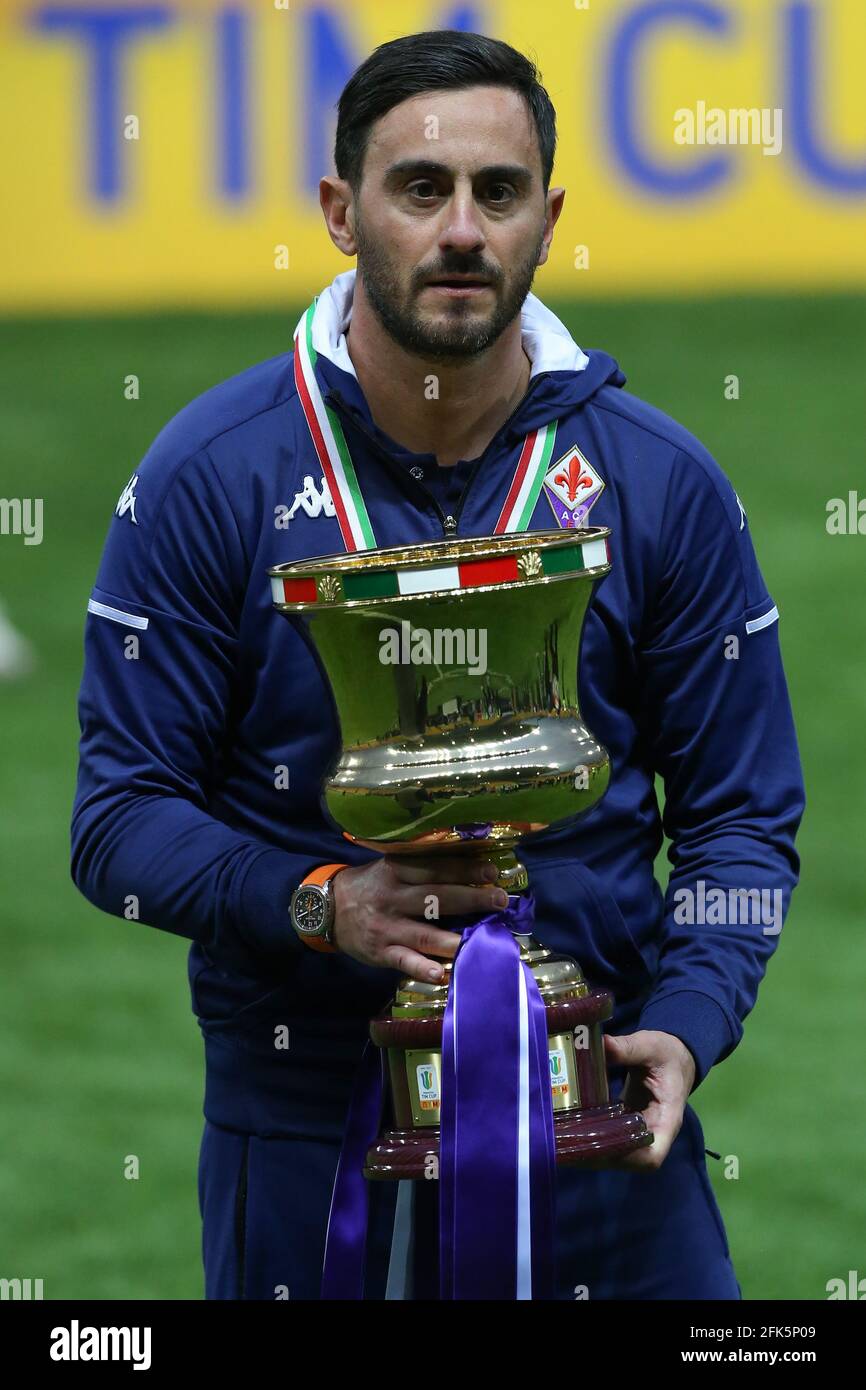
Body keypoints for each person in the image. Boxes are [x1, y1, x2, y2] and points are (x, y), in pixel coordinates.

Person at [71, 29, 805, 1300]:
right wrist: (322, 900)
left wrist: (685, 1024)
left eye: (497, 192)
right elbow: (117, 820)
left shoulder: (660, 484)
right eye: (421, 189)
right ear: (340, 211)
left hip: (604, 1121)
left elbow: (741, 819)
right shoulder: (212, 477)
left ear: (548, 218)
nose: (461, 229)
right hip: (305, 1135)